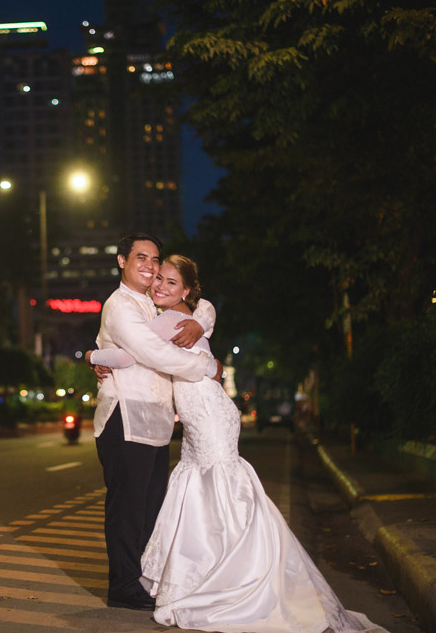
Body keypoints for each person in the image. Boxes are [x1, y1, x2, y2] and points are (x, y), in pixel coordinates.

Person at [88, 254, 386, 632]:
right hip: (202, 416)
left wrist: (94, 354)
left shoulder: (169, 318)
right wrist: (93, 355)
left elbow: (131, 354)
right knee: (204, 492)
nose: (161, 285)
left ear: (187, 290)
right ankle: (218, 575)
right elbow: (201, 313)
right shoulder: (181, 314)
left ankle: (237, 579)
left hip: (209, 415)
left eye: (170, 281)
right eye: (159, 278)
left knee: (222, 492)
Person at [92, 233, 222, 611]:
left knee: (150, 509)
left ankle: (144, 580)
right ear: (122, 261)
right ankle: (124, 587)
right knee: (127, 509)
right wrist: (207, 366)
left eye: (155, 259)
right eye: (141, 258)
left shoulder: (153, 299)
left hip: (158, 421)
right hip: (125, 418)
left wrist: (199, 322)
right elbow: (154, 352)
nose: (150, 266)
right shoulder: (120, 305)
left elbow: (202, 304)